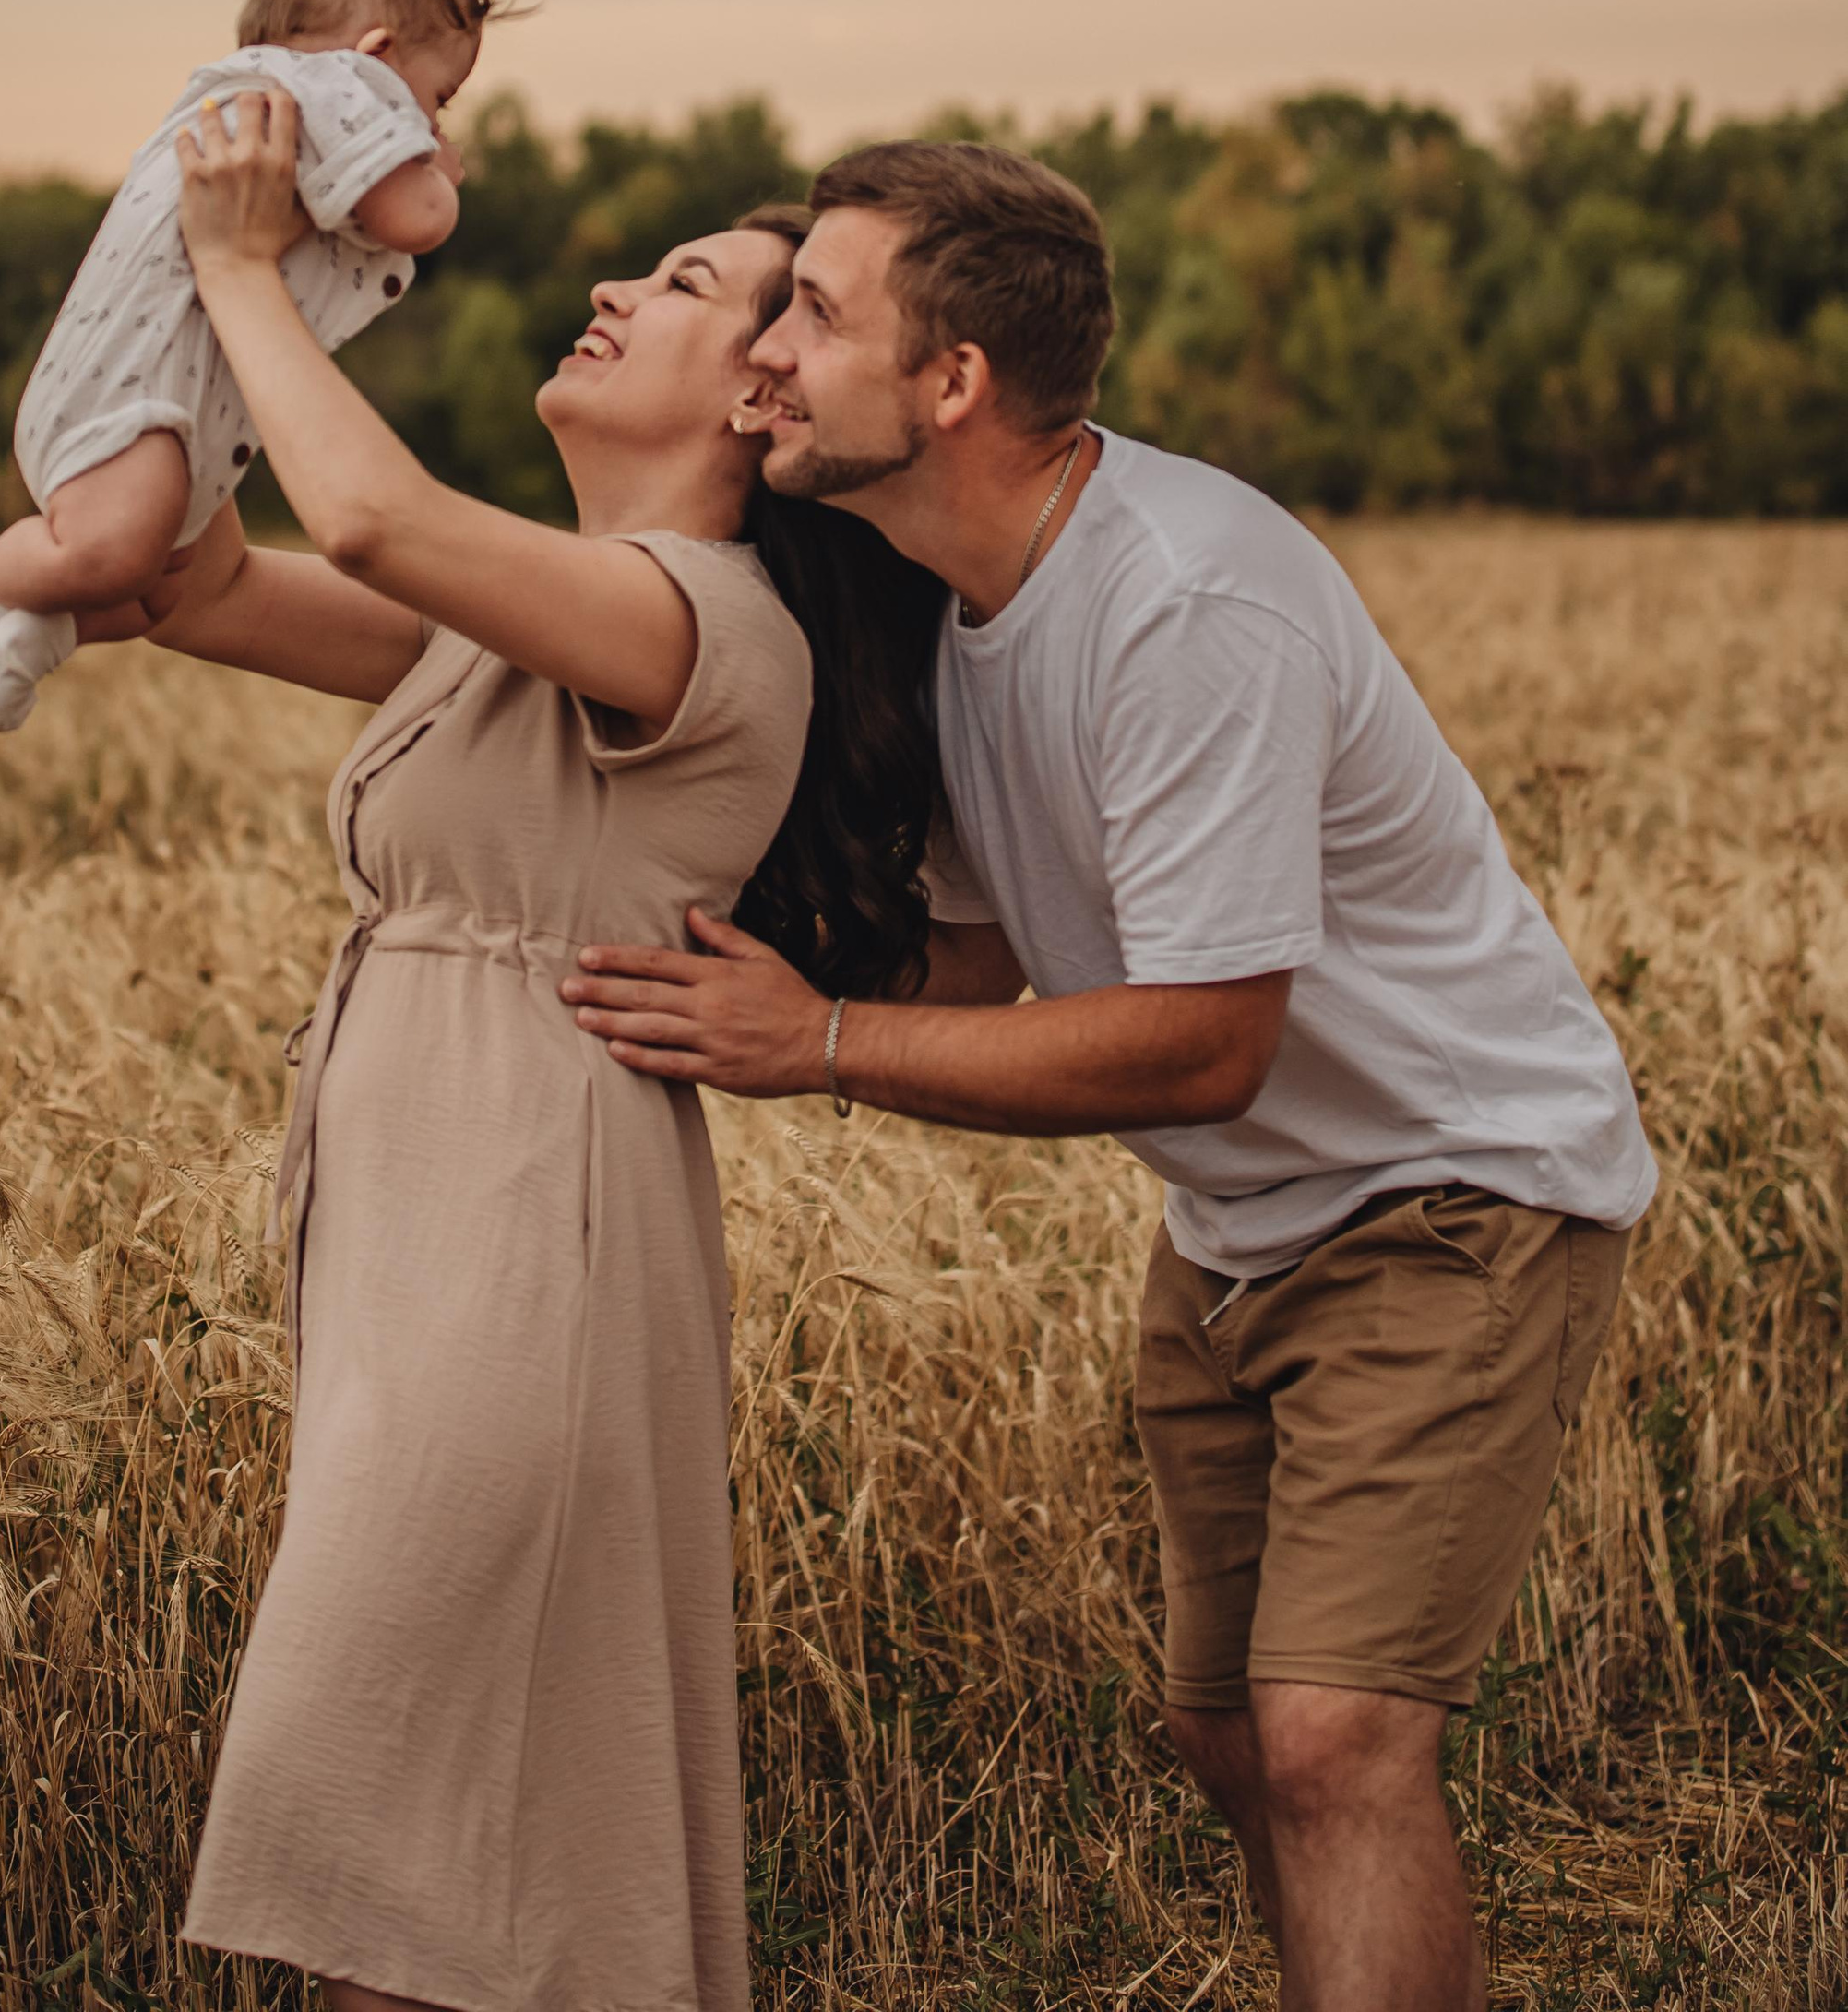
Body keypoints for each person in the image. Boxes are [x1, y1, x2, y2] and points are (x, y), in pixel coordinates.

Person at [563, 137, 1657, 2012]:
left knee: (1330, 1741)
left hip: (1447, 1192)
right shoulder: (969, 595)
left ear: (951, 384)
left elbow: (1204, 1038)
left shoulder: (1177, 602)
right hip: (1241, 1230)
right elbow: (1009, 941)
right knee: (1231, 1741)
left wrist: (814, 1046)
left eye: (814, 316)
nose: (766, 356)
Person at [70, 96, 944, 2012]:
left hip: (518, 1250)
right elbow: (199, 585)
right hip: (422, 1235)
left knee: (399, 1836)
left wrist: (236, 272)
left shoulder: (697, 625)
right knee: (435, 1853)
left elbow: (369, 513)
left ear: (755, 402)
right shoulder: (514, 626)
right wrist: (173, 290)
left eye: (687, 287)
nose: (612, 291)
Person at [0, 0, 488, 737]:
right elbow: (414, 218)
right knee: (115, 553)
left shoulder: (257, 98)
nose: (432, 125)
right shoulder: (332, 90)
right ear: (376, 55)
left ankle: (21, 641)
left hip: (144, 399)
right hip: (131, 398)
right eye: (439, 98)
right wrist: (446, 178)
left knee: (153, 593)